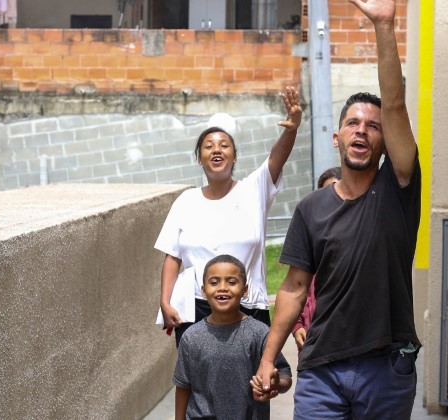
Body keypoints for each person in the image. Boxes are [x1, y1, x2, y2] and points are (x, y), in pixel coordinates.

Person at [256, 0, 422, 417]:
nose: (362, 130)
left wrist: (384, 26)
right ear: (337, 138)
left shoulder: (398, 188)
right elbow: (293, 288)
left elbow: (396, 105)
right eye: (353, 124)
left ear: (385, 143)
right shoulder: (311, 208)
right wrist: (268, 358)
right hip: (321, 372)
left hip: (385, 369)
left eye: (373, 126)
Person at [156, 87, 302, 346]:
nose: (217, 150)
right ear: (199, 158)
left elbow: (276, 159)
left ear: (234, 156)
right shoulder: (185, 202)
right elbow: (172, 256)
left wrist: (290, 130)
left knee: (250, 380)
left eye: (224, 146)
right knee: (199, 381)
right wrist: (165, 302)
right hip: (197, 308)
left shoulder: (253, 190)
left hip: (248, 305)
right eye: (208, 146)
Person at [174, 254, 292, 420]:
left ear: (245, 290)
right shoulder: (191, 337)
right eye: (214, 282)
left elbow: (285, 374)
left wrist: (275, 384)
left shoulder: (259, 332)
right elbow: (183, 385)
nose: (222, 287)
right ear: (203, 291)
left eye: (231, 281)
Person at [290, 166, 341, 352]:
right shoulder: (310, 238)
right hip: (312, 348)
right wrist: (297, 328)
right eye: (326, 194)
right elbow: (294, 288)